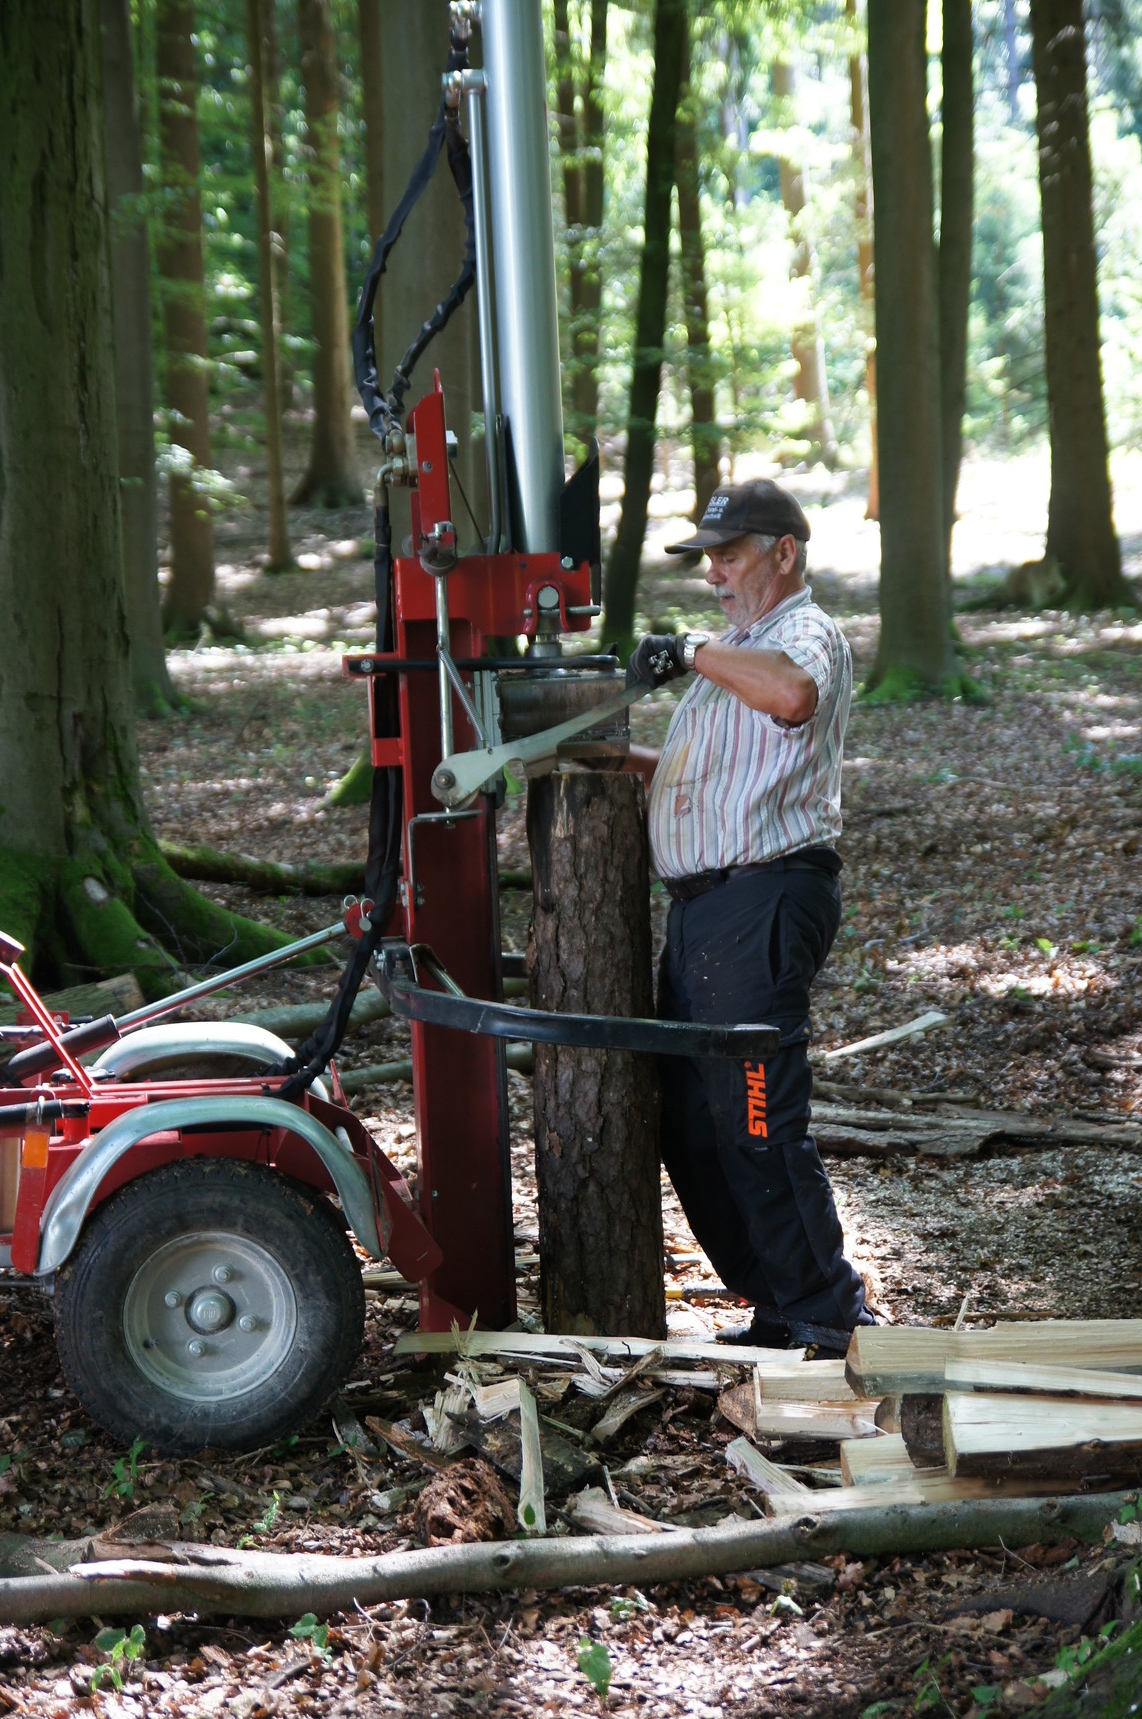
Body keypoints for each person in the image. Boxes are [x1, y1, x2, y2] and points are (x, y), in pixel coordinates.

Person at [625, 479, 872, 1359]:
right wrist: (626, 759)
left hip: (763, 898)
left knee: (758, 1118)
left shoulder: (800, 634)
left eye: (729, 555)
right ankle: (776, 1300)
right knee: (689, 1124)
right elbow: (719, 768)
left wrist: (690, 649)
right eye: (707, 560)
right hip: (705, 912)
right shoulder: (738, 647)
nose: (715, 574)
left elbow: (793, 697)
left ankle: (829, 1310)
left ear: (784, 554)